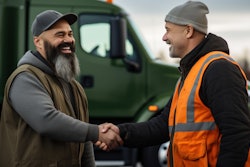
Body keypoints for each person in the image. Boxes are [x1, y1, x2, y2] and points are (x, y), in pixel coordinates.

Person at [97, 1, 250, 167]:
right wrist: (122, 132)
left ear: (188, 30)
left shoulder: (219, 69)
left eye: (168, 30)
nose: (164, 37)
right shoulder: (192, 71)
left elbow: (236, 134)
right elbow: (163, 125)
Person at [0, 10, 122, 167]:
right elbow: (46, 120)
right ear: (38, 42)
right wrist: (97, 133)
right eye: (60, 35)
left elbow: (83, 140)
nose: (68, 40)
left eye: (70, 34)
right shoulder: (25, 78)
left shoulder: (74, 86)